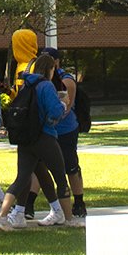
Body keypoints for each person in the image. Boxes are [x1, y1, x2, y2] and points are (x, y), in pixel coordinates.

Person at [0, 47, 74, 229]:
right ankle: (69, 218)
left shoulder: (26, 84)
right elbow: (54, 112)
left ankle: (2, 215)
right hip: (45, 136)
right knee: (60, 177)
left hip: (25, 138)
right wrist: (63, 104)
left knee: (22, 178)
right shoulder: (46, 86)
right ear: (50, 69)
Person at [52, 53, 90, 225]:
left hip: (66, 130)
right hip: (49, 131)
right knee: (38, 166)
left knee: (71, 167)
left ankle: (79, 202)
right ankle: (27, 206)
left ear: (56, 61)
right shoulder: (41, 79)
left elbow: (66, 108)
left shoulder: (66, 80)